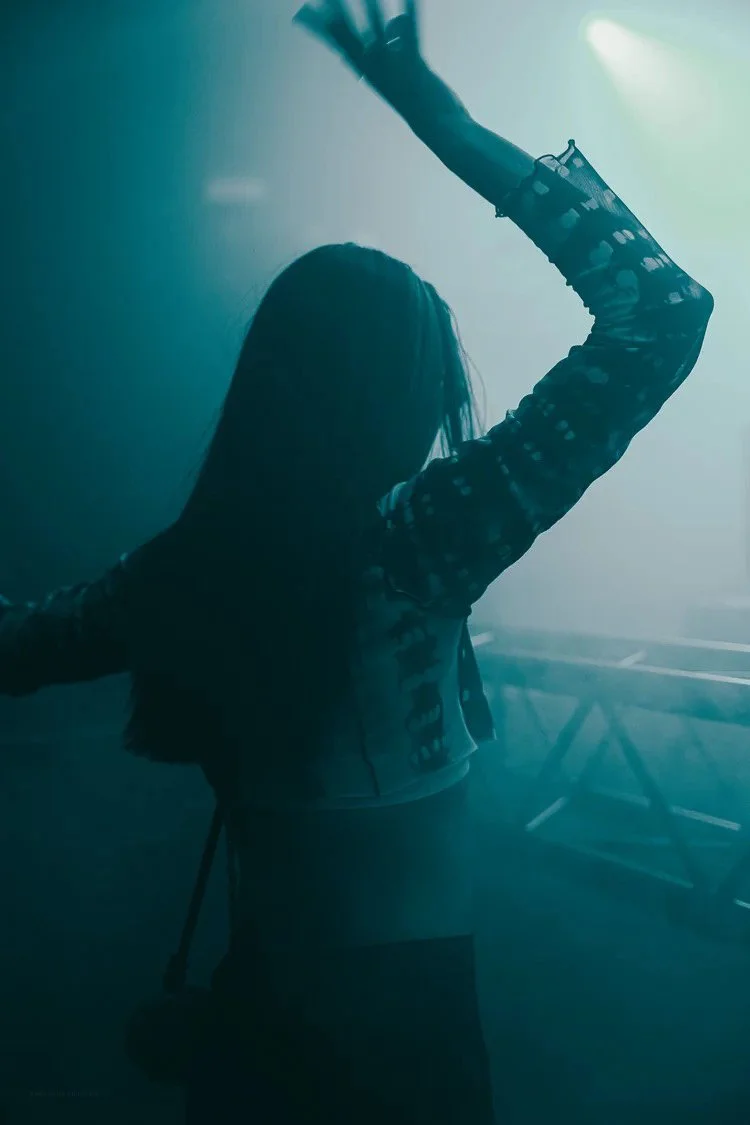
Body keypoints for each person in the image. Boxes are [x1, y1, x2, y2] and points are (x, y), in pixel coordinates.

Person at [0, 1, 713, 1122]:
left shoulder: (177, 575)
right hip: (405, 1056)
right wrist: (443, 122)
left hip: (251, 1034)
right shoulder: (426, 541)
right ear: (404, 395)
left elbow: (20, 642)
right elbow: (660, 314)